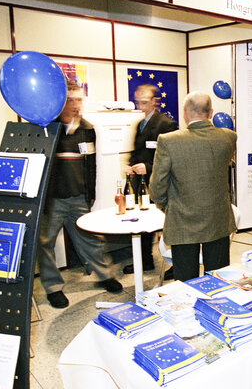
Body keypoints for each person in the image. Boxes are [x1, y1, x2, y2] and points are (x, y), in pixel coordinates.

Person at [37, 82, 122, 308]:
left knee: (90, 240)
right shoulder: (47, 128)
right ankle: (53, 287)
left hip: (78, 197)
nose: (75, 105)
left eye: (78, 100)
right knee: (44, 243)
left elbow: (91, 165)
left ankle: (105, 275)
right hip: (52, 199)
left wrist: (90, 194)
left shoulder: (87, 128)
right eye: (70, 100)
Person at [150, 92, 236, 282]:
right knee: (218, 278)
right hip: (218, 218)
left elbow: (157, 187)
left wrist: (168, 205)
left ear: (185, 113)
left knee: (186, 282)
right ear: (211, 112)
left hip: (183, 219)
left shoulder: (168, 141)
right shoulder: (229, 137)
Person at [125, 83, 178, 275]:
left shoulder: (166, 124)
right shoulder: (139, 123)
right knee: (143, 222)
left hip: (160, 183)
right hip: (140, 183)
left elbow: (172, 158)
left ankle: (175, 264)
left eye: (144, 102)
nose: (141, 106)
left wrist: (146, 168)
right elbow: (137, 151)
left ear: (155, 101)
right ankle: (144, 260)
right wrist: (129, 165)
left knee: (166, 224)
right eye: (138, 102)